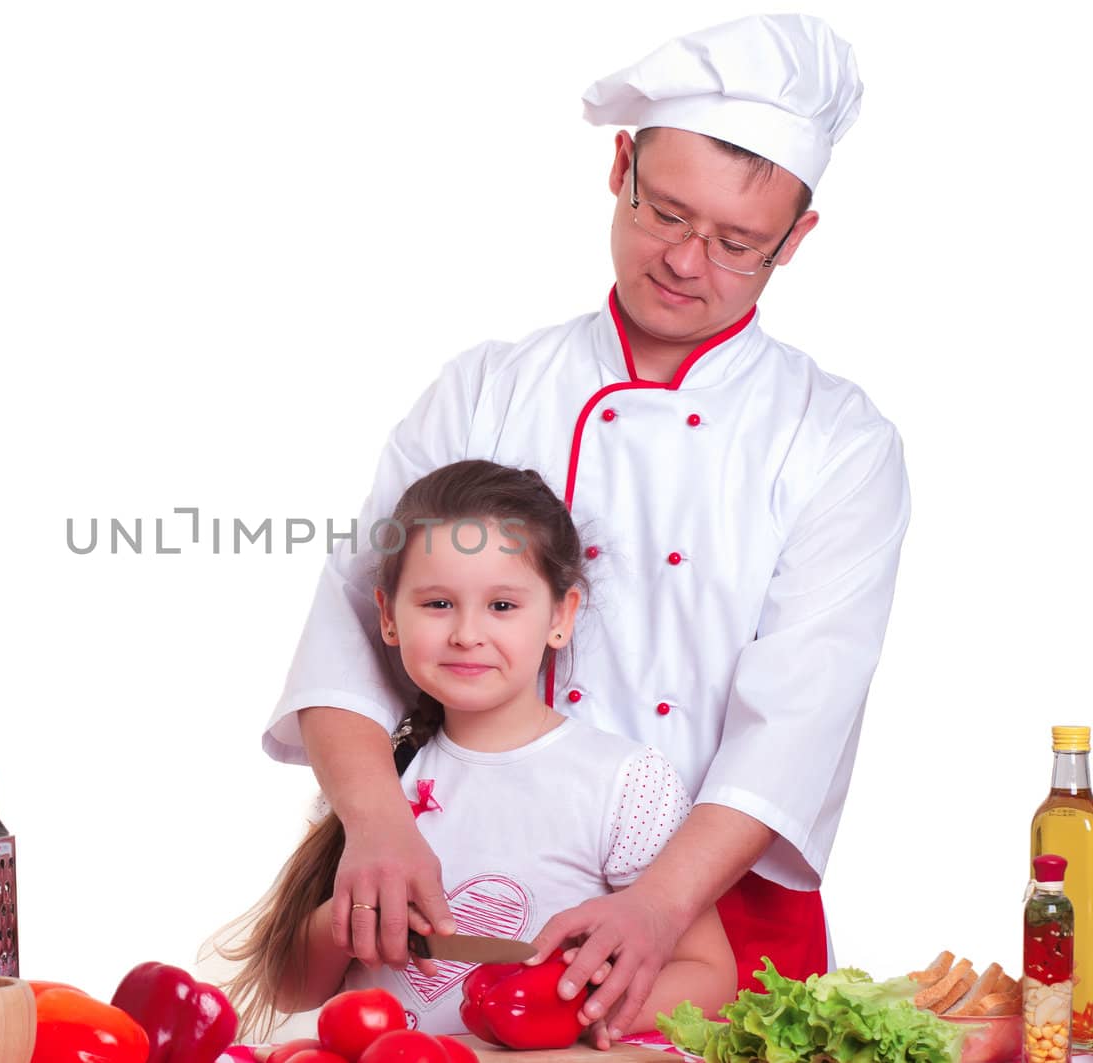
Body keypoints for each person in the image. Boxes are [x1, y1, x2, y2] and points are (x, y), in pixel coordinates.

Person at [262, 13, 911, 1043]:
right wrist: (379, 824)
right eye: (664, 212)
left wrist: (657, 905)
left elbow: (797, 722)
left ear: (796, 240)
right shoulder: (485, 391)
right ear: (619, 165)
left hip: (714, 912)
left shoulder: (834, 442)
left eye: (738, 244)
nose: (687, 261)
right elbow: (351, 627)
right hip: (458, 870)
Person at [222, 461, 736, 1042]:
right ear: (389, 616)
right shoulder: (376, 777)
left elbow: (711, 977)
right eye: (438, 604)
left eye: (502, 606)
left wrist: (571, 1010)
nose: (467, 632)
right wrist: (350, 922)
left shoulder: (624, 781)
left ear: (560, 616)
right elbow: (291, 989)